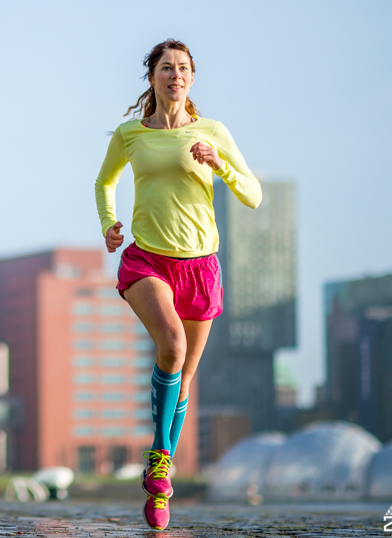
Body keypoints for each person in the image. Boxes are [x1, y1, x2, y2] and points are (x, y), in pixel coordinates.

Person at [94, 39, 261, 530]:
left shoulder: (213, 131)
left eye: (184, 68)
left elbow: (252, 194)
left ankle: (159, 477)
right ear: (152, 77)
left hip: (201, 266)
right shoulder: (130, 135)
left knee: (186, 375)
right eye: (166, 68)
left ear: (192, 77)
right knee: (171, 346)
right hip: (149, 260)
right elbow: (105, 182)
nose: (175, 75)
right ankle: (162, 461)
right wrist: (109, 222)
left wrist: (218, 163)